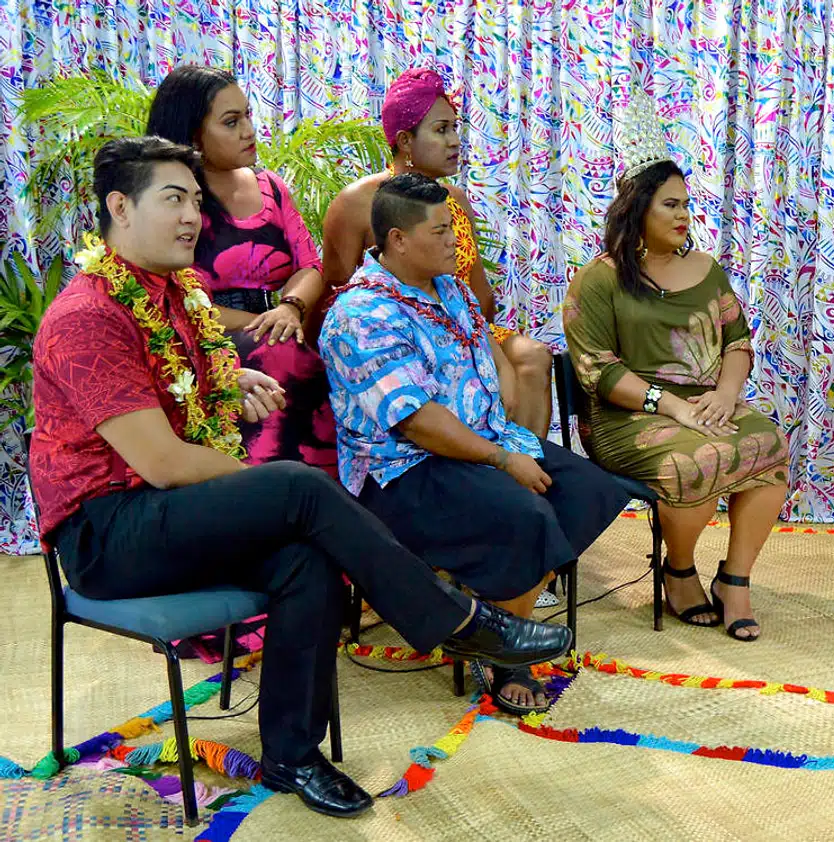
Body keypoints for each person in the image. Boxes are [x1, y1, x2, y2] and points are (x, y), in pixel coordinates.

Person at [30, 138, 573, 818]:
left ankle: (292, 753)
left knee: (307, 558)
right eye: (174, 200)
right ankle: (457, 620)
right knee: (297, 488)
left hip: (173, 516)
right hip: (107, 537)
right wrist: (255, 487)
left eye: (196, 201)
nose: (193, 217)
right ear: (119, 206)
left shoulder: (175, 294)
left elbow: (173, 390)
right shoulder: (88, 316)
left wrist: (231, 379)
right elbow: (164, 462)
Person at [320, 175, 629, 713]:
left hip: (481, 442)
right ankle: (505, 654)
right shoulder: (360, 314)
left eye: (455, 227)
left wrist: (506, 426)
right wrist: (504, 459)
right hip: (405, 471)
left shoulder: (453, 289)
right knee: (525, 515)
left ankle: (497, 622)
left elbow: (494, 360)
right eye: (441, 230)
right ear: (398, 240)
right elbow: (418, 423)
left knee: (588, 490)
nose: (455, 241)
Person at [563, 95, 790, 642]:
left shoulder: (708, 271)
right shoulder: (599, 279)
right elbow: (597, 370)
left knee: (770, 445)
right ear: (637, 208)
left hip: (705, 406)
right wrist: (674, 408)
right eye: (670, 204)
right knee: (698, 461)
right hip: (626, 418)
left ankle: (734, 581)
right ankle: (679, 571)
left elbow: (737, 341)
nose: (684, 215)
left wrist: (727, 395)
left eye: (687, 204)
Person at [321, 67, 553, 437]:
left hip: (466, 328)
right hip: (396, 339)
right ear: (405, 141)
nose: (455, 141)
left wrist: (473, 340)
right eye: (442, 130)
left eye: (455, 128)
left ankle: (527, 458)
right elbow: (334, 298)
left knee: (533, 356)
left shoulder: (455, 200)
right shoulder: (356, 203)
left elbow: (482, 295)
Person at [146, 65, 337, 474]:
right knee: (278, 359)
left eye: (248, 115)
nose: (250, 130)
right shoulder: (174, 204)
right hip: (208, 344)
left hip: (283, 330)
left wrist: (288, 308)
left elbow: (310, 266)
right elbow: (173, 297)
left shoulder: (271, 187)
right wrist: (264, 324)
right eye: (232, 122)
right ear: (192, 136)